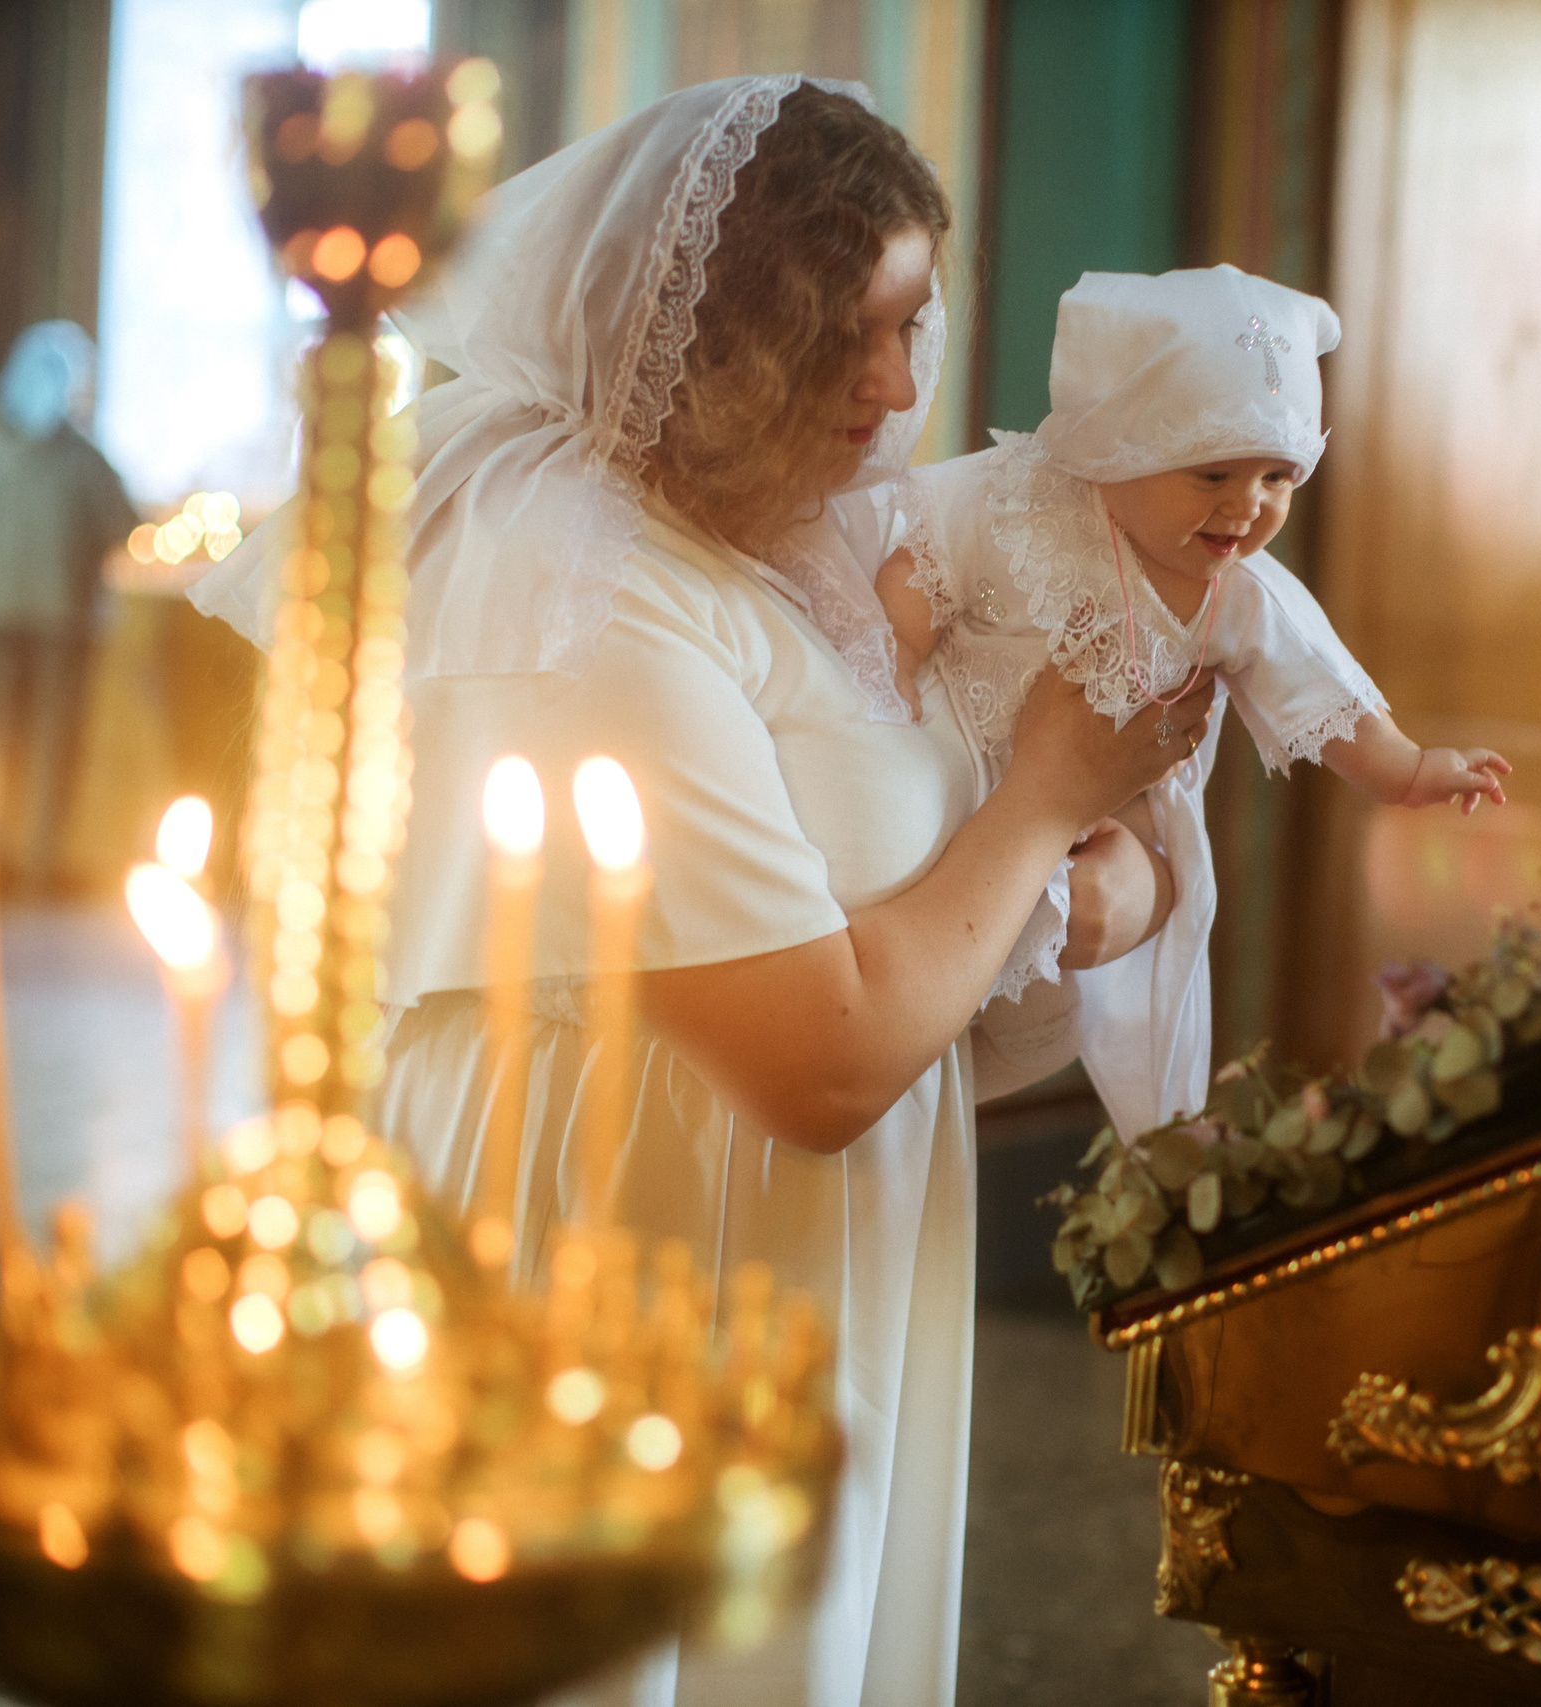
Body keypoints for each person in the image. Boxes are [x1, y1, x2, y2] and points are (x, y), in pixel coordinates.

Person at [194, 77, 1201, 1707]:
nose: (898, 385)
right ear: (726, 338)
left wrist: (1089, 867)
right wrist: (1044, 805)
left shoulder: (793, 547)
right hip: (632, 1231)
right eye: (844, 339)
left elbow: (948, 872)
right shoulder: (578, 591)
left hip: (801, 1238)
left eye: (911, 324)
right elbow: (822, 1054)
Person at [872, 266, 1512, 1138]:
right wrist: (893, 671)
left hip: (1084, 837)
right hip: (940, 771)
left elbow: (1321, 683)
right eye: (1212, 474)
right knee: (914, 934)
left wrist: (1408, 770)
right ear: (1119, 447)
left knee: (1036, 997)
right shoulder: (1015, 498)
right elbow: (921, 564)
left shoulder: (1237, 593)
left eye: (1278, 477)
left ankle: (970, 1064)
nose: (1247, 507)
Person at [0, 321, 138, 890]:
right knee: (52, 739)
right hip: (62, 617)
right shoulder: (82, 458)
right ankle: (41, 861)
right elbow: (122, 524)